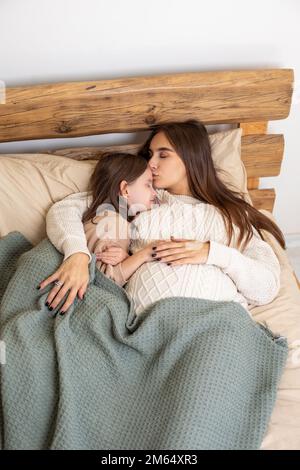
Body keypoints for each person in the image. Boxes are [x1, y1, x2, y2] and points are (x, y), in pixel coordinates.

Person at [38, 119, 284, 316]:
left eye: (163, 155)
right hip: (142, 327)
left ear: (191, 159)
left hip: (215, 321)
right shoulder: (139, 199)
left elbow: (266, 288)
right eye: (150, 154)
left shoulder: (230, 215)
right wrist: (77, 255)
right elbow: (65, 210)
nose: (151, 164)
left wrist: (212, 253)